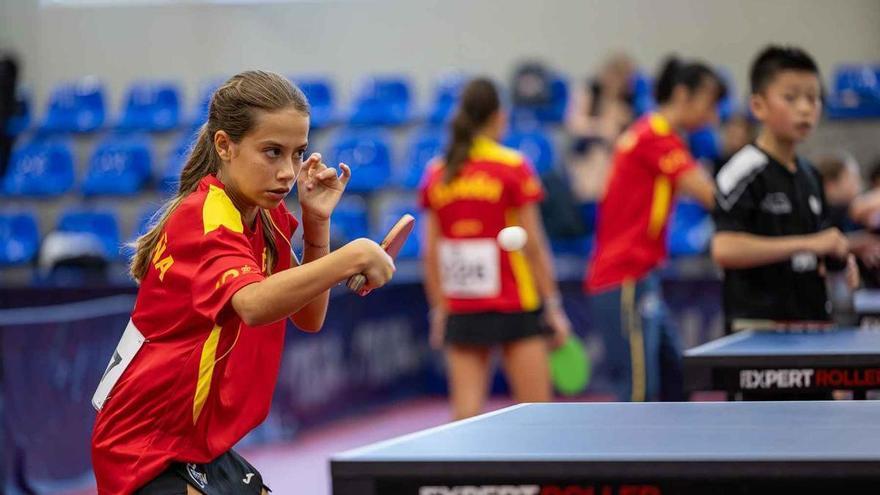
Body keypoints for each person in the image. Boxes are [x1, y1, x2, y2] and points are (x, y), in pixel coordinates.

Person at [90, 71, 395, 494]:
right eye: (272, 152)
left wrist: (316, 224)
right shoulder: (204, 217)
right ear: (224, 145)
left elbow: (308, 316)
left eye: (297, 153)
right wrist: (355, 254)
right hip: (145, 446)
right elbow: (253, 304)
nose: (288, 172)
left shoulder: (261, 216)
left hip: (198, 446)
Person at [420, 78, 572, 420]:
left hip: (462, 305)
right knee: (537, 416)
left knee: (465, 418)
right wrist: (553, 305)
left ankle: (464, 477)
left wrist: (439, 309)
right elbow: (534, 243)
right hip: (514, 302)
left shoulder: (437, 173)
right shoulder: (512, 167)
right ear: (498, 116)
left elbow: (431, 252)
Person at [585, 56, 724, 402]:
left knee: (677, 382)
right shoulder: (655, 137)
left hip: (641, 277)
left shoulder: (652, 133)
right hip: (624, 278)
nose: (712, 117)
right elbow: (712, 196)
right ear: (682, 95)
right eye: (709, 104)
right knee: (638, 396)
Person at [712, 46, 859, 333]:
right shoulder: (743, 171)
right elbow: (724, 248)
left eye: (813, 99)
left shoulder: (810, 174)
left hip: (811, 325)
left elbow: (817, 250)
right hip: (757, 332)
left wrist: (838, 264)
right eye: (790, 98)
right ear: (758, 106)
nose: (805, 108)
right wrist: (808, 243)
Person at [565, 54, 636, 201]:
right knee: (596, 157)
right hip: (585, 154)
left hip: (612, 156)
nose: (616, 83)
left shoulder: (625, 104)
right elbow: (574, 123)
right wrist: (601, 128)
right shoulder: (588, 93)